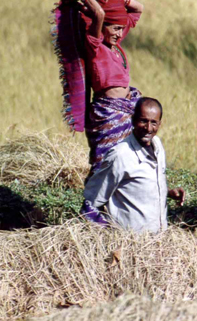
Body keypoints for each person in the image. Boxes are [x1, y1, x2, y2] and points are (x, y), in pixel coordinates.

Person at [54, 0, 144, 173]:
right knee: (107, 162)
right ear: (102, 27)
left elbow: (138, 9)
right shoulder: (95, 46)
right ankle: (98, 199)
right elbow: (99, 13)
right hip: (108, 114)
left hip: (127, 111)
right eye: (115, 28)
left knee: (128, 161)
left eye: (121, 28)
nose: (120, 33)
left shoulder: (115, 44)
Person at [80, 97, 186, 233]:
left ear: (160, 124)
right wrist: (106, 234)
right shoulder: (120, 156)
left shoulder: (157, 146)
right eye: (143, 121)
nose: (148, 128)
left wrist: (167, 192)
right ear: (133, 120)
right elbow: (91, 201)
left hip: (159, 243)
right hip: (131, 246)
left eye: (153, 122)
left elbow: (139, 187)